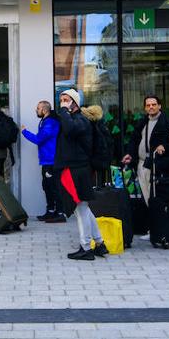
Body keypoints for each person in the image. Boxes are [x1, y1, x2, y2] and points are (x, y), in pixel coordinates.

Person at [56, 89, 107, 261]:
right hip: (75, 168)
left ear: (75, 103)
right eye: (61, 100)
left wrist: (63, 111)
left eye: (66, 100)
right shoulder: (74, 118)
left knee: (81, 208)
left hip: (77, 169)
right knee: (83, 208)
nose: (62, 103)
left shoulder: (80, 119)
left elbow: (70, 130)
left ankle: (86, 247)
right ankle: (99, 244)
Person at [121, 95, 169, 208]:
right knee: (146, 197)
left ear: (159, 106)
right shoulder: (142, 122)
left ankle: (158, 222)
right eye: (148, 105)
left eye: (154, 104)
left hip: (158, 167)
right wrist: (130, 154)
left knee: (157, 197)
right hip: (142, 164)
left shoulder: (168, 123)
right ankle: (152, 221)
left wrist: (164, 147)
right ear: (145, 108)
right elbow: (134, 141)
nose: (151, 107)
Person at [21, 100, 64, 222]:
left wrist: (24, 132)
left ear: (44, 110)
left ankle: (60, 213)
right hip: (46, 161)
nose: (36, 110)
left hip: (51, 161)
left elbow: (39, 139)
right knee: (47, 186)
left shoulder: (49, 123)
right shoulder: (45, 121)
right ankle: (51, 211)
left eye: (38, 108)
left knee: (53, 187)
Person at [82, 104, 114, 187]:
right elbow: (104, 144)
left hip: (91, 161)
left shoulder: (89, 125)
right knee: (99, 184)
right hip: (98, 160)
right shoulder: (99, 126)